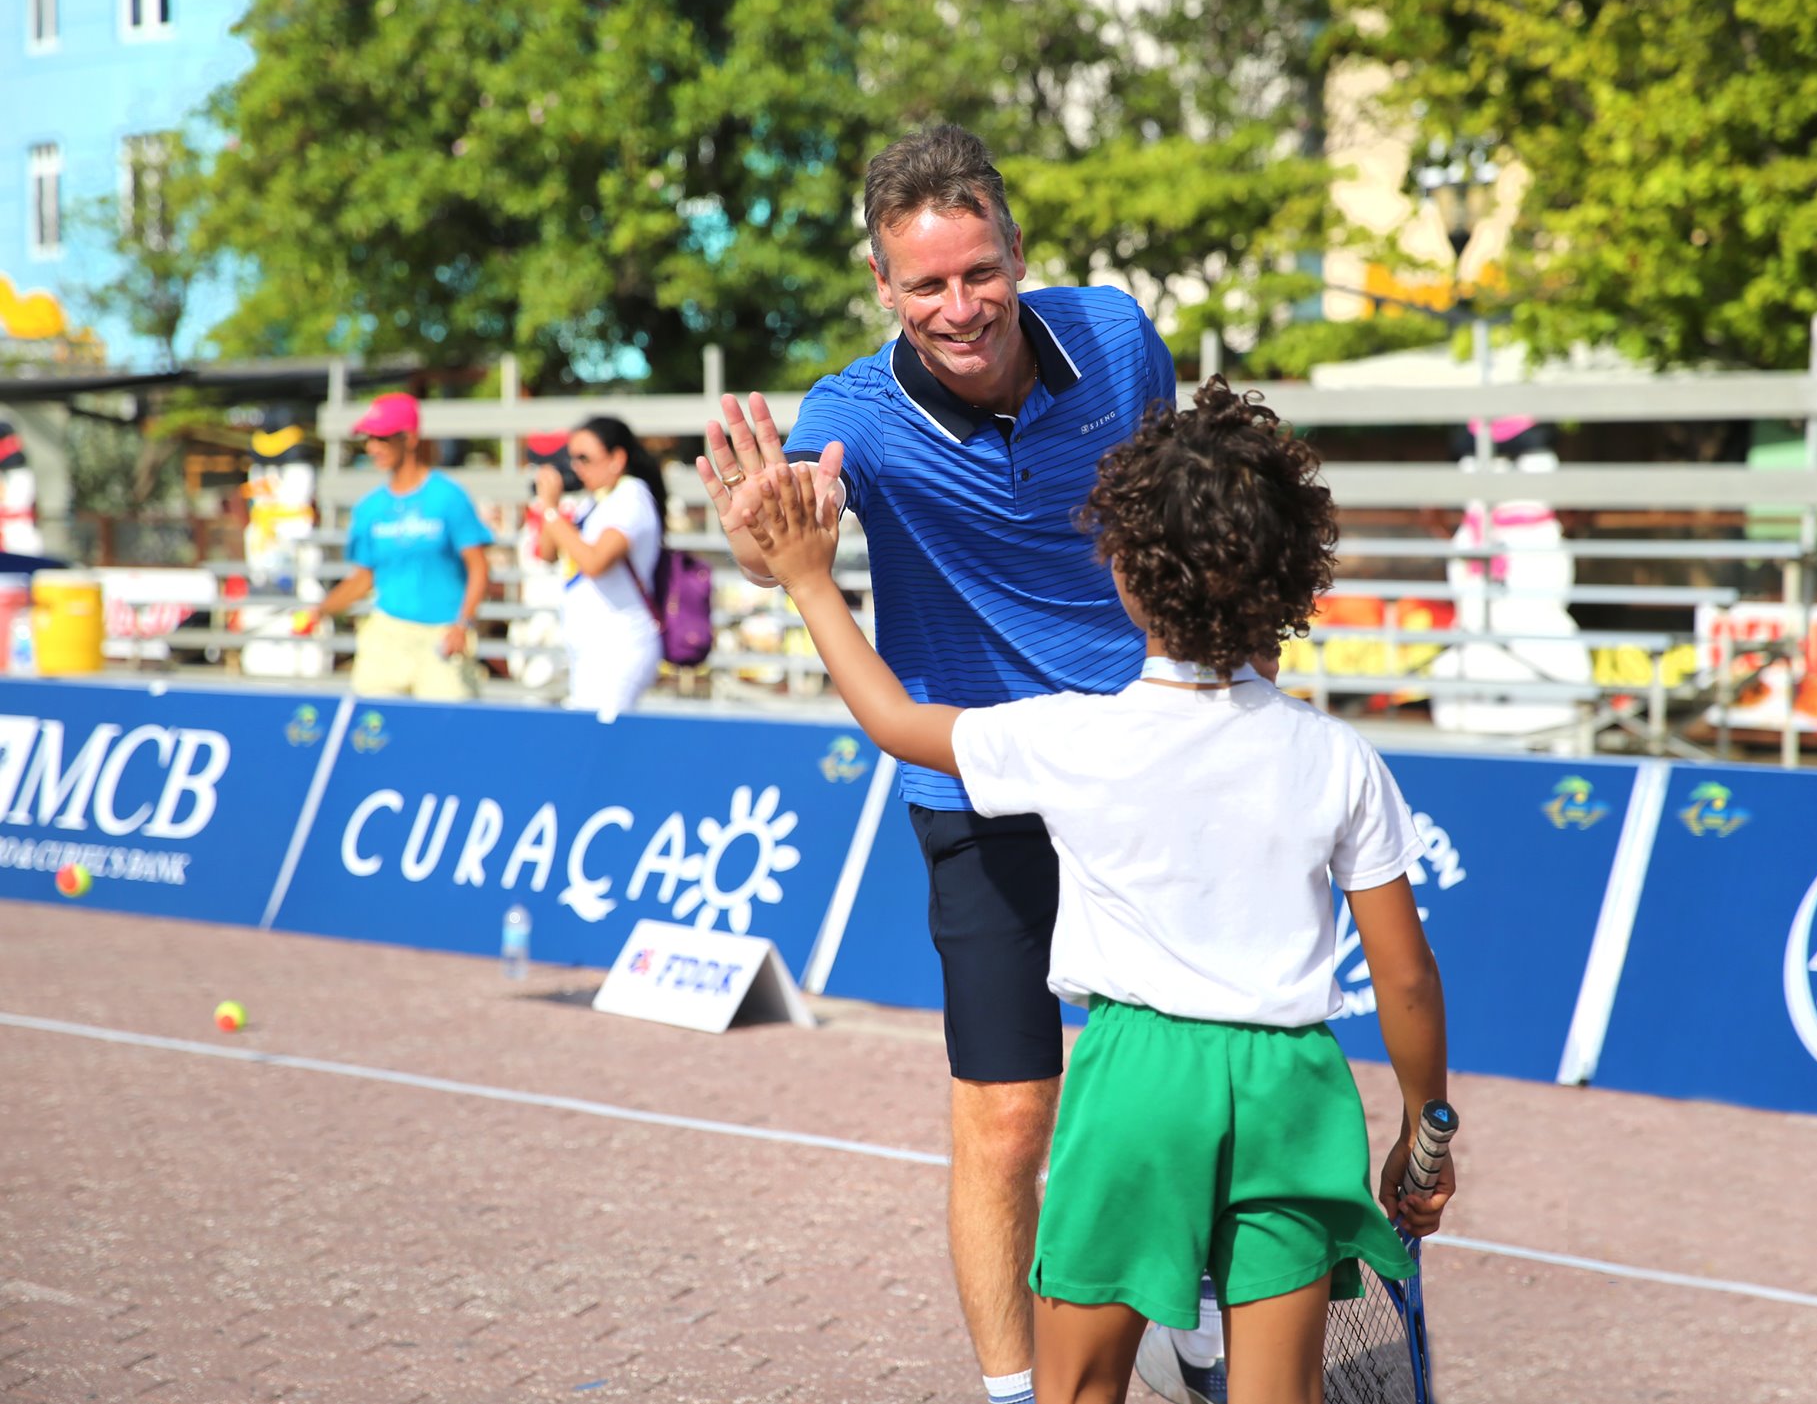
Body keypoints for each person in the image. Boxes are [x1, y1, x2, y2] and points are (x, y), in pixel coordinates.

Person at [736, 380, 1455, 1404]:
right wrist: (1425, 1129)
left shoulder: (1077, 736)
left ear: (1122, 571)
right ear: (1292, 577)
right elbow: (1406, 979)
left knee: (1077, 1387)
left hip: (1137, 1077)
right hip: (1294, 1088)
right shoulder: (1340, 759)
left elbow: (896, 721)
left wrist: (811, 580)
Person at [695, 123, 1177, 1404]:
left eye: (978, 272)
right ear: (881, 285)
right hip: (973, 780)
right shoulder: (848, 417)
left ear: (1017, 251)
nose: (958, 308)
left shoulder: (1119, 338)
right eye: (925, 284)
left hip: (1144, 768)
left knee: (1174, 1094)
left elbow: (1171, 514)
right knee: (1008, 1119)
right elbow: (784, 537)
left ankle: (1188, 1325)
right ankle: (1016, 1393)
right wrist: (755, 535)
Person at [307, 393, 490, 700]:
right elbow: (363, 578)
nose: (372, 447)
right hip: (387, 634)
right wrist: (321, 610)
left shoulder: (448, 497)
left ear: (410, 438)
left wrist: (464, 623)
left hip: (442, 633)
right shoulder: (369, 508)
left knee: (446, 723)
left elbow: (479, 566)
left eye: (382, 438)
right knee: (373, 720)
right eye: (369, 439)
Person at [532, 415, 668, 716]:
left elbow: (595, 562)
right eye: (571, 459)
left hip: (619, 647)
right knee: (588, 731)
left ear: (617, 459)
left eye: (584, 458)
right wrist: (550, 506)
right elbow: (547, 553)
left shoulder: (631, 498)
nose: (576, 468)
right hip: (591, 647)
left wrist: (551, 511)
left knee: (600, 734)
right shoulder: (594, 502)